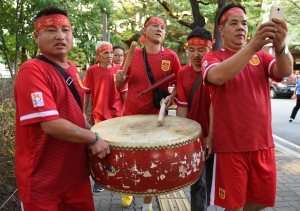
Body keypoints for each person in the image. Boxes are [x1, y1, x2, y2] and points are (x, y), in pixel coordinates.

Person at [14, 7, 110, 211]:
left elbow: (77, 113)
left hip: (76, 177)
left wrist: (97, 134)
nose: (60, 36)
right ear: (36, 36)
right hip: (43, 184)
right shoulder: (32, 70)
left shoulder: (72, 68)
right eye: (51, 30)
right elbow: (50, 124)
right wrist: (92, 139)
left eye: (65, 30)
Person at [201, 3, 293, 211]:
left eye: (244, 23)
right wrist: (252, 46)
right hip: (231, 148)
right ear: (221, 31)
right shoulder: (213, 57)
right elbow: (218, 76)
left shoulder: (260, 57)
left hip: (262, 145)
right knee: (234, 205)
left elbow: (285, 69)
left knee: (262, 200)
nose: (241, 27)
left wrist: (280, 45)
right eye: (233, 23)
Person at [115, 16, 181, 211]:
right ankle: (128, 188)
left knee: (151, 163)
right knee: (129, 159)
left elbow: (179, 82)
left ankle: (147, 205)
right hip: (131, 117)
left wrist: (170, 98)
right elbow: (120, 85)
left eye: (163, 27)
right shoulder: (132, 55)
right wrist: (118, 79)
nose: (160, 29)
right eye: (155, 26)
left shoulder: (171, 57)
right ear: (145, 31)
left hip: (156, 119)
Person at [83, 41, 131, 206]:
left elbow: (125, 95)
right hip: (98, 117)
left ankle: (126, 187)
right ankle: (100, 179)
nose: (110, 56)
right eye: (106, 53)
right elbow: (87, 93)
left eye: (111, 52)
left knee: (122, 152)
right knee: (100, 150)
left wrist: (128, 115)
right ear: (98, 56)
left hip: (117, 117)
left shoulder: (119, 71)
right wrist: (83, 113)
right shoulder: (92, 71)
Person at [174, 28, 213, 211]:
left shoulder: (218, 69)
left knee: (216, 181)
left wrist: (212, 135)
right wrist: (181, 140)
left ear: (209, 48)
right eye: (191, 50)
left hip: (219, 135)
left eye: (201, 50)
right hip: (195, 137)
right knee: (198, 182)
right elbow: (182, 107)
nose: (195, 55)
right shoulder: (182, 73)